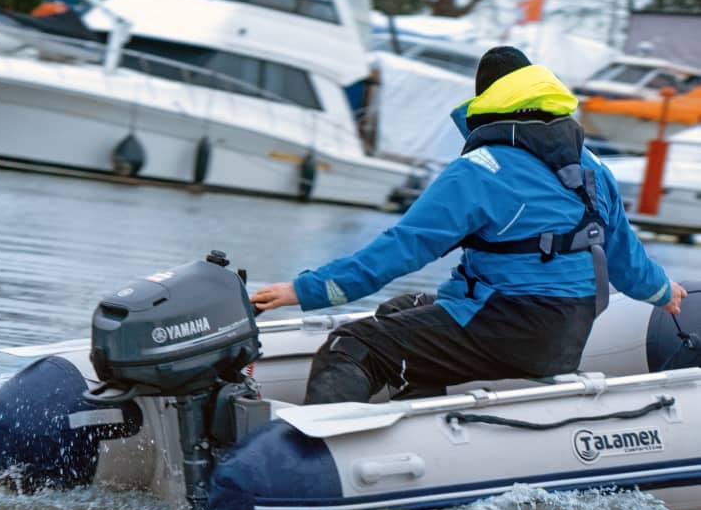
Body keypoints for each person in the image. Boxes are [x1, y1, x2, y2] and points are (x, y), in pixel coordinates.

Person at [250, 46, 686, 405]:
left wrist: (302, 291)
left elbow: (400, 250)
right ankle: (418, 420)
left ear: (487, 101)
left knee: (353, 345)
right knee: (401, 309)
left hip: (508, 327)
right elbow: (626, 259)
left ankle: (311, 455)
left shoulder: (480, 170)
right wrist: (664, 292)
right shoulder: (593, 170)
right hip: (567, 332)